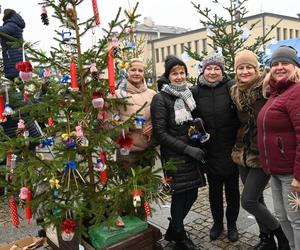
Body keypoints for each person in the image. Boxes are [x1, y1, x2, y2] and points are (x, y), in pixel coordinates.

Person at [231, 49, 289, 250]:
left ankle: (280, 233)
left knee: (248, 201)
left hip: (262, 153)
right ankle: (266, 240)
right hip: (242, 154)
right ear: (236, 71)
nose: (245, 71)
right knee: (258, 198)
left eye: (249, 67)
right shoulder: (235, 92)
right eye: (241, 68)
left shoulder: (266, 88)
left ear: (257, 69)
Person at [151, 55, 206, 250]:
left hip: (191, 152)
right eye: (175, 73)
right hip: (175, 155)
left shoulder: (188, 95)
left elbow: (190, 124)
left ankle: (174, 229)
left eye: (182, 72)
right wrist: (187, 148)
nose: (179, 76)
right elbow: (160, 133)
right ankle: (180, 237)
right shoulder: (161, 98)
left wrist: (198, 135)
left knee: (191, 195)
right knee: (180, 195)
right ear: (168, 76)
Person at [191, 52, 240, 242]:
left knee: (233, 191)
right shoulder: (195, 92)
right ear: (203, 70)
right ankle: (217, 223)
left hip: (231, 148)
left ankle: (233, 225)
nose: (212, 72)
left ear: (222, 70)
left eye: (216, 68)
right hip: (209, 150)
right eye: (209, 68)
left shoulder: (231, 88)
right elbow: (189, 120)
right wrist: (196, 136)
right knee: (214, 192)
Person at [257, 45, 300, 250]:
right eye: (275, 64)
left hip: (291, 174)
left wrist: (298, 176)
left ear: (295, 66)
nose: (279, 67)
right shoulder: (276, 93)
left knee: (297, 220)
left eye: (285, 63)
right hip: (275, 170)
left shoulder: (297, 92)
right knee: (282, 217)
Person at [112, 58, 156, 169]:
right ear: (127, 72)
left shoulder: (152, 94)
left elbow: (159, 118)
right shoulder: (116, 95)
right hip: (127, 152)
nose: (137, 73)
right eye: (133, 70)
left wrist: (153, 127)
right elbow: (109, 124)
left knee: (148, 186)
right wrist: (129, 126)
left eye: (140, 71)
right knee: (130, 186)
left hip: (148, 150)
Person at [0, 9, 25, 81]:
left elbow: (3, 31)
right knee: (16, 78)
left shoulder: (11, 24)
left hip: (13, 56)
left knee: (16, 77)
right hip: (14, 54)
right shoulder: (14, 23)